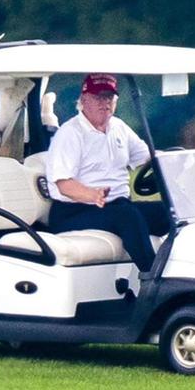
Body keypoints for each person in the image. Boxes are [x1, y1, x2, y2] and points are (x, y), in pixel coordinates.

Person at [45, 73, 170, 274]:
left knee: (171, 211)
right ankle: (154, 279)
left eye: (109, 98)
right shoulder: (71, 133)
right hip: (74, 212)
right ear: (84, 100)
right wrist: (92, 195)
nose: (105, 103)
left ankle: (183, 272)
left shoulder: (118, 127)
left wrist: (177, 162)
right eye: (98, 98)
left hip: (116, 206)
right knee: (127, 216)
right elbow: (63, 185)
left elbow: (147, 157)